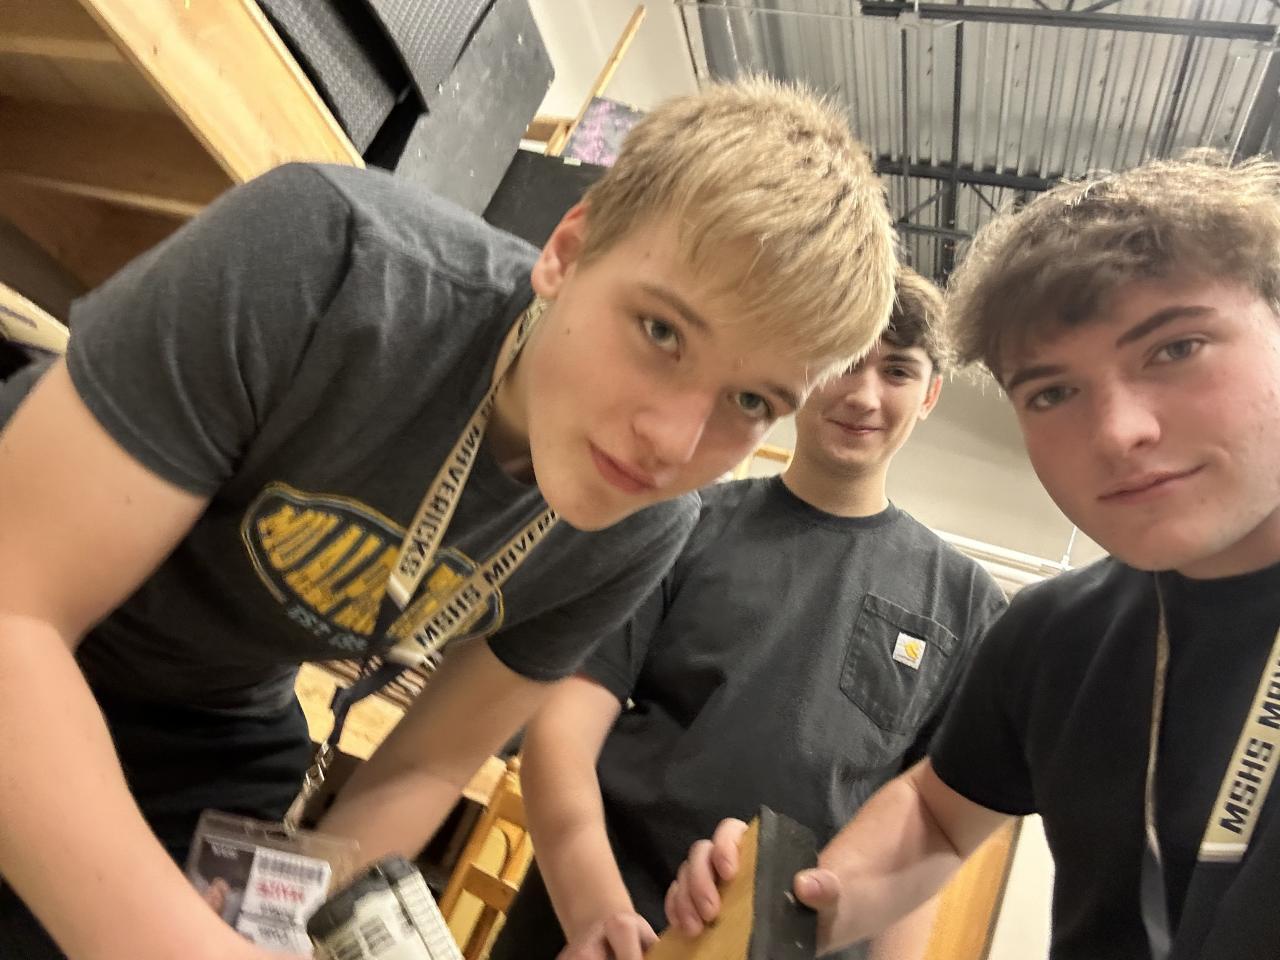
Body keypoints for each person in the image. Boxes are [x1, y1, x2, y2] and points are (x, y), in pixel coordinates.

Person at [0, 78, 897, 960]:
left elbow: (426, 765)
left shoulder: (640, 530)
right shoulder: (330, 255)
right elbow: (17, 613)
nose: (671, 443)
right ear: (568, 251)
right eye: (662, 332)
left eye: (749, 400)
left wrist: (280, 929)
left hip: (214, 712)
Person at [665, 153, 1280, 960]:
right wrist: (798, 902)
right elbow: (939, 815)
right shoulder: (1052, 636)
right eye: (1052, 393)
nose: (1117, 431)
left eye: (1175, 348)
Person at [492, 269, 1007, 960]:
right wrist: (597, 915)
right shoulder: (680, 523)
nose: (863, 394)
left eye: (897, 372)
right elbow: (562, 733)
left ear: (930, 394)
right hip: (598, 931)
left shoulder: (966, 605)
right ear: (801, 369)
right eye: (845, 361)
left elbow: (923, 840)